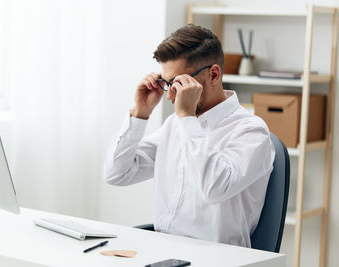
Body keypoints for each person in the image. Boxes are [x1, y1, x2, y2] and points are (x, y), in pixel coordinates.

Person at [103, 24, 275, 248]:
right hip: (165, 249)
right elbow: (117, 174)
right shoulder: (175, 125)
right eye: (166, 83)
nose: (170, 95)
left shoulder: (251, 131)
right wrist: (140, 114)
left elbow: (215, 188)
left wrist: (186, 117)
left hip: (219, 259)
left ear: (214, 74)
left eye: (179, 83)